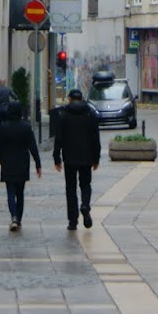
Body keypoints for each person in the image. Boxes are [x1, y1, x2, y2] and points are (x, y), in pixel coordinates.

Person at [52, 88, 101, 230]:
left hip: (69, 158)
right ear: (81, 99)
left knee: (71, 189)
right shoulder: (89, 113)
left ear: (69, 99)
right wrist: (96, 158)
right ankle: (85, 205)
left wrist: (57, 158)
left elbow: (58, 138)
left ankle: (72, 221)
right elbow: (95, 138)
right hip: (86, 158)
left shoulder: (64, 114)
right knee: (85, 185)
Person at [0, 101, 41, 231]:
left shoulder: (3, 127)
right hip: (22, 163)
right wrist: (38, 163)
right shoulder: (26, 127)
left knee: (10, 191)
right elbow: (33, 146)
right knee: (20, 193)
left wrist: (1, 160)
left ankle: (13, 216)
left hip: (8, 163)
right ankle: (18, 219)